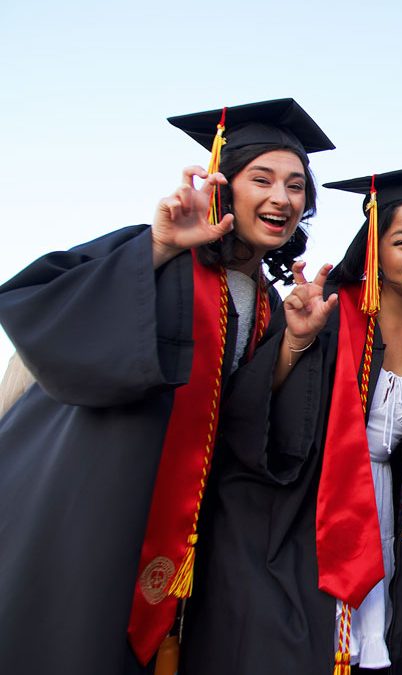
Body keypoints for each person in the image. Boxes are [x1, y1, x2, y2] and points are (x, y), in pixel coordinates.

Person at [0, 98, 333, 674]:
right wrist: (156, 247)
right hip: (95, 488)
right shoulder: (160, 249)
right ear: (222, 185)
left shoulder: (268, 302)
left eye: (296, 186)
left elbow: (241, 413)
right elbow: (39, 305)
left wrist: (294, 343)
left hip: (182, 505)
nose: (282, 197)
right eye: (262, 179)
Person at [180, 165, 402, 675]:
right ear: (374, 251)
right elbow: (248, 414)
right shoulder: (329, 313)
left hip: (395, 519)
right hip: (306, 513)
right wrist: (296, 340)